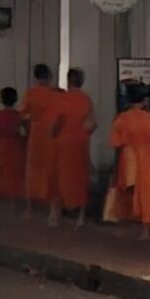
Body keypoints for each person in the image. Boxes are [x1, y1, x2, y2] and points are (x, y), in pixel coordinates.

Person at [107, 84, 150, 239]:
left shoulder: (122, 118)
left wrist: (116, 163)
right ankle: (146, 229)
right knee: (148, 191)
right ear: (143, 100)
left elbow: (115, 142)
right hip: (149, 155)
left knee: (128, 189)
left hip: (129, 155)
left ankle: (129, 225)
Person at [18, 64, 62, 219]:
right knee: (52, 171)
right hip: (52, 135)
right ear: (49, 76)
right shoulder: (57, 95)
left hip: (36, 136)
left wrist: (29, 129)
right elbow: (61, 118)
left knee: (33, 170)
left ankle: (29, 209)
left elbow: (22, 115)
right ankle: (53, 210)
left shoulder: (30, 94)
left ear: (35, 78)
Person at [54, 68, 96, 228]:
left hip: (63, 141)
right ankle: (81, 216)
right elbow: (94, 123)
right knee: (80, 177)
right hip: (80, 141)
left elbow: (58, 122)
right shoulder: (86, 100)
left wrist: (53, 134)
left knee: (61, 176)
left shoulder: (62, 99)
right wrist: (84, 133)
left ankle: (56, 214)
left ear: (68, 80)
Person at [0, 87, 25, 205]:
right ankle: (14, 200)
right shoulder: (19, 116)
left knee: (0, 173)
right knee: (14, 174)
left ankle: (3, 200)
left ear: (1, 99)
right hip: (15, 147)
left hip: (0, 147)